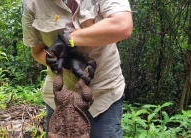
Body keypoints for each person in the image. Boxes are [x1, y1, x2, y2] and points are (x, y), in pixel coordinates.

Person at [22, 0, 133, 137]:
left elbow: (123, 25)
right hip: (59, 99)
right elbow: (37, 51)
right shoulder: (32, 3)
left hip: (102, 94)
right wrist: (58, 61)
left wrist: (68, 39)